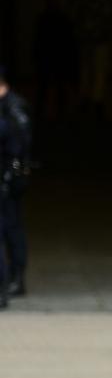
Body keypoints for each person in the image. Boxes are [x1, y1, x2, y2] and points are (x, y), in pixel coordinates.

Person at [0, 64, 32, 300]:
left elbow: (19, 145)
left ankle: (16, 277)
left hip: (10, 178)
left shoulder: (14, 107)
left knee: (11, 228)